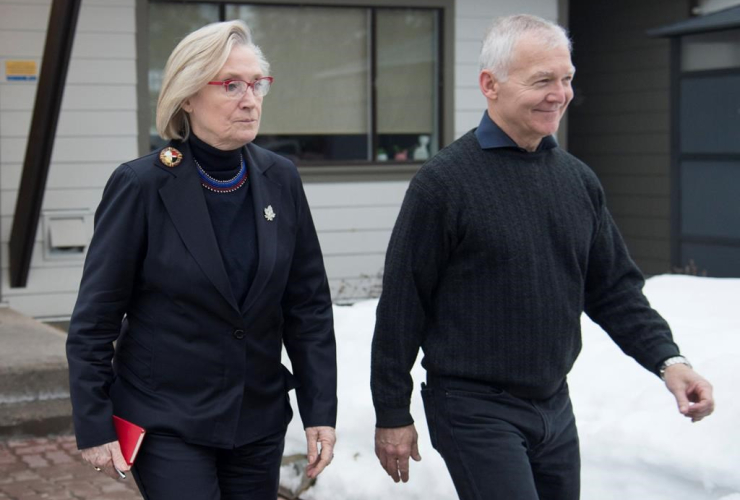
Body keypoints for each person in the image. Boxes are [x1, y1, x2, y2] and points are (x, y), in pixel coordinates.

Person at [370, 14, 714, 500]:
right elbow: (403, 305)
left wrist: (669, 361)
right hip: (472, 406)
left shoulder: (577, 181)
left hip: (554, 405)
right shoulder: (444, 184)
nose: (560, 93)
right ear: (490, 84)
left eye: (567, 78)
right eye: (542, 81)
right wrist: (392, 412)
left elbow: (614, 289)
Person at [66, 20, 337, 500]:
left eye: (257, 83)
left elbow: (307, 306)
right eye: (231, 84)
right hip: (168, 419)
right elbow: (95, 319)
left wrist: (320, 411)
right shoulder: (142, 185)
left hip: (257, 420)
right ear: (188, 96)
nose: (249, 98)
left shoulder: (281, 179)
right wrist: (93, 423)